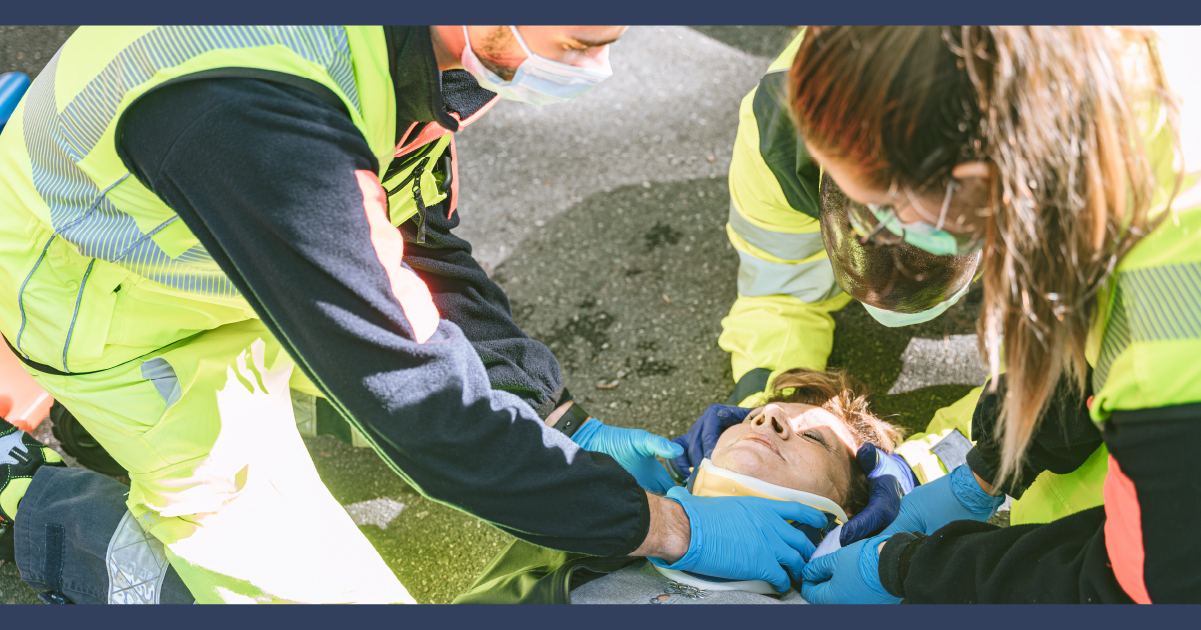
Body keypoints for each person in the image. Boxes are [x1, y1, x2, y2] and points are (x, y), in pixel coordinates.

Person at [0, 25, 822, 604]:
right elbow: (423, 407)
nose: (595, 70)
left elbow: (409, 231)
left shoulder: (428, 44)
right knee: (275, 567)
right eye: (579, 46)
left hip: (236, 256)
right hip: (107, 304)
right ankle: (27, 481)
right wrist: (667, 528)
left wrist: (557, 419)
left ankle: (81, 431)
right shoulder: (255, 109)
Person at [788, 26, 1199, 604]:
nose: (875, 235)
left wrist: (912, 569)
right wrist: (989, 467)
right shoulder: (1103, 70)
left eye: (886, 212)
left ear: (980, 183)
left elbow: (1149, 588)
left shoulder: (1167, 353)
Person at [454, 368, 905, 604]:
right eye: (757, 415)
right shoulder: (581, 513)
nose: (767, 418)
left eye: (811, 437)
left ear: (846, 514)